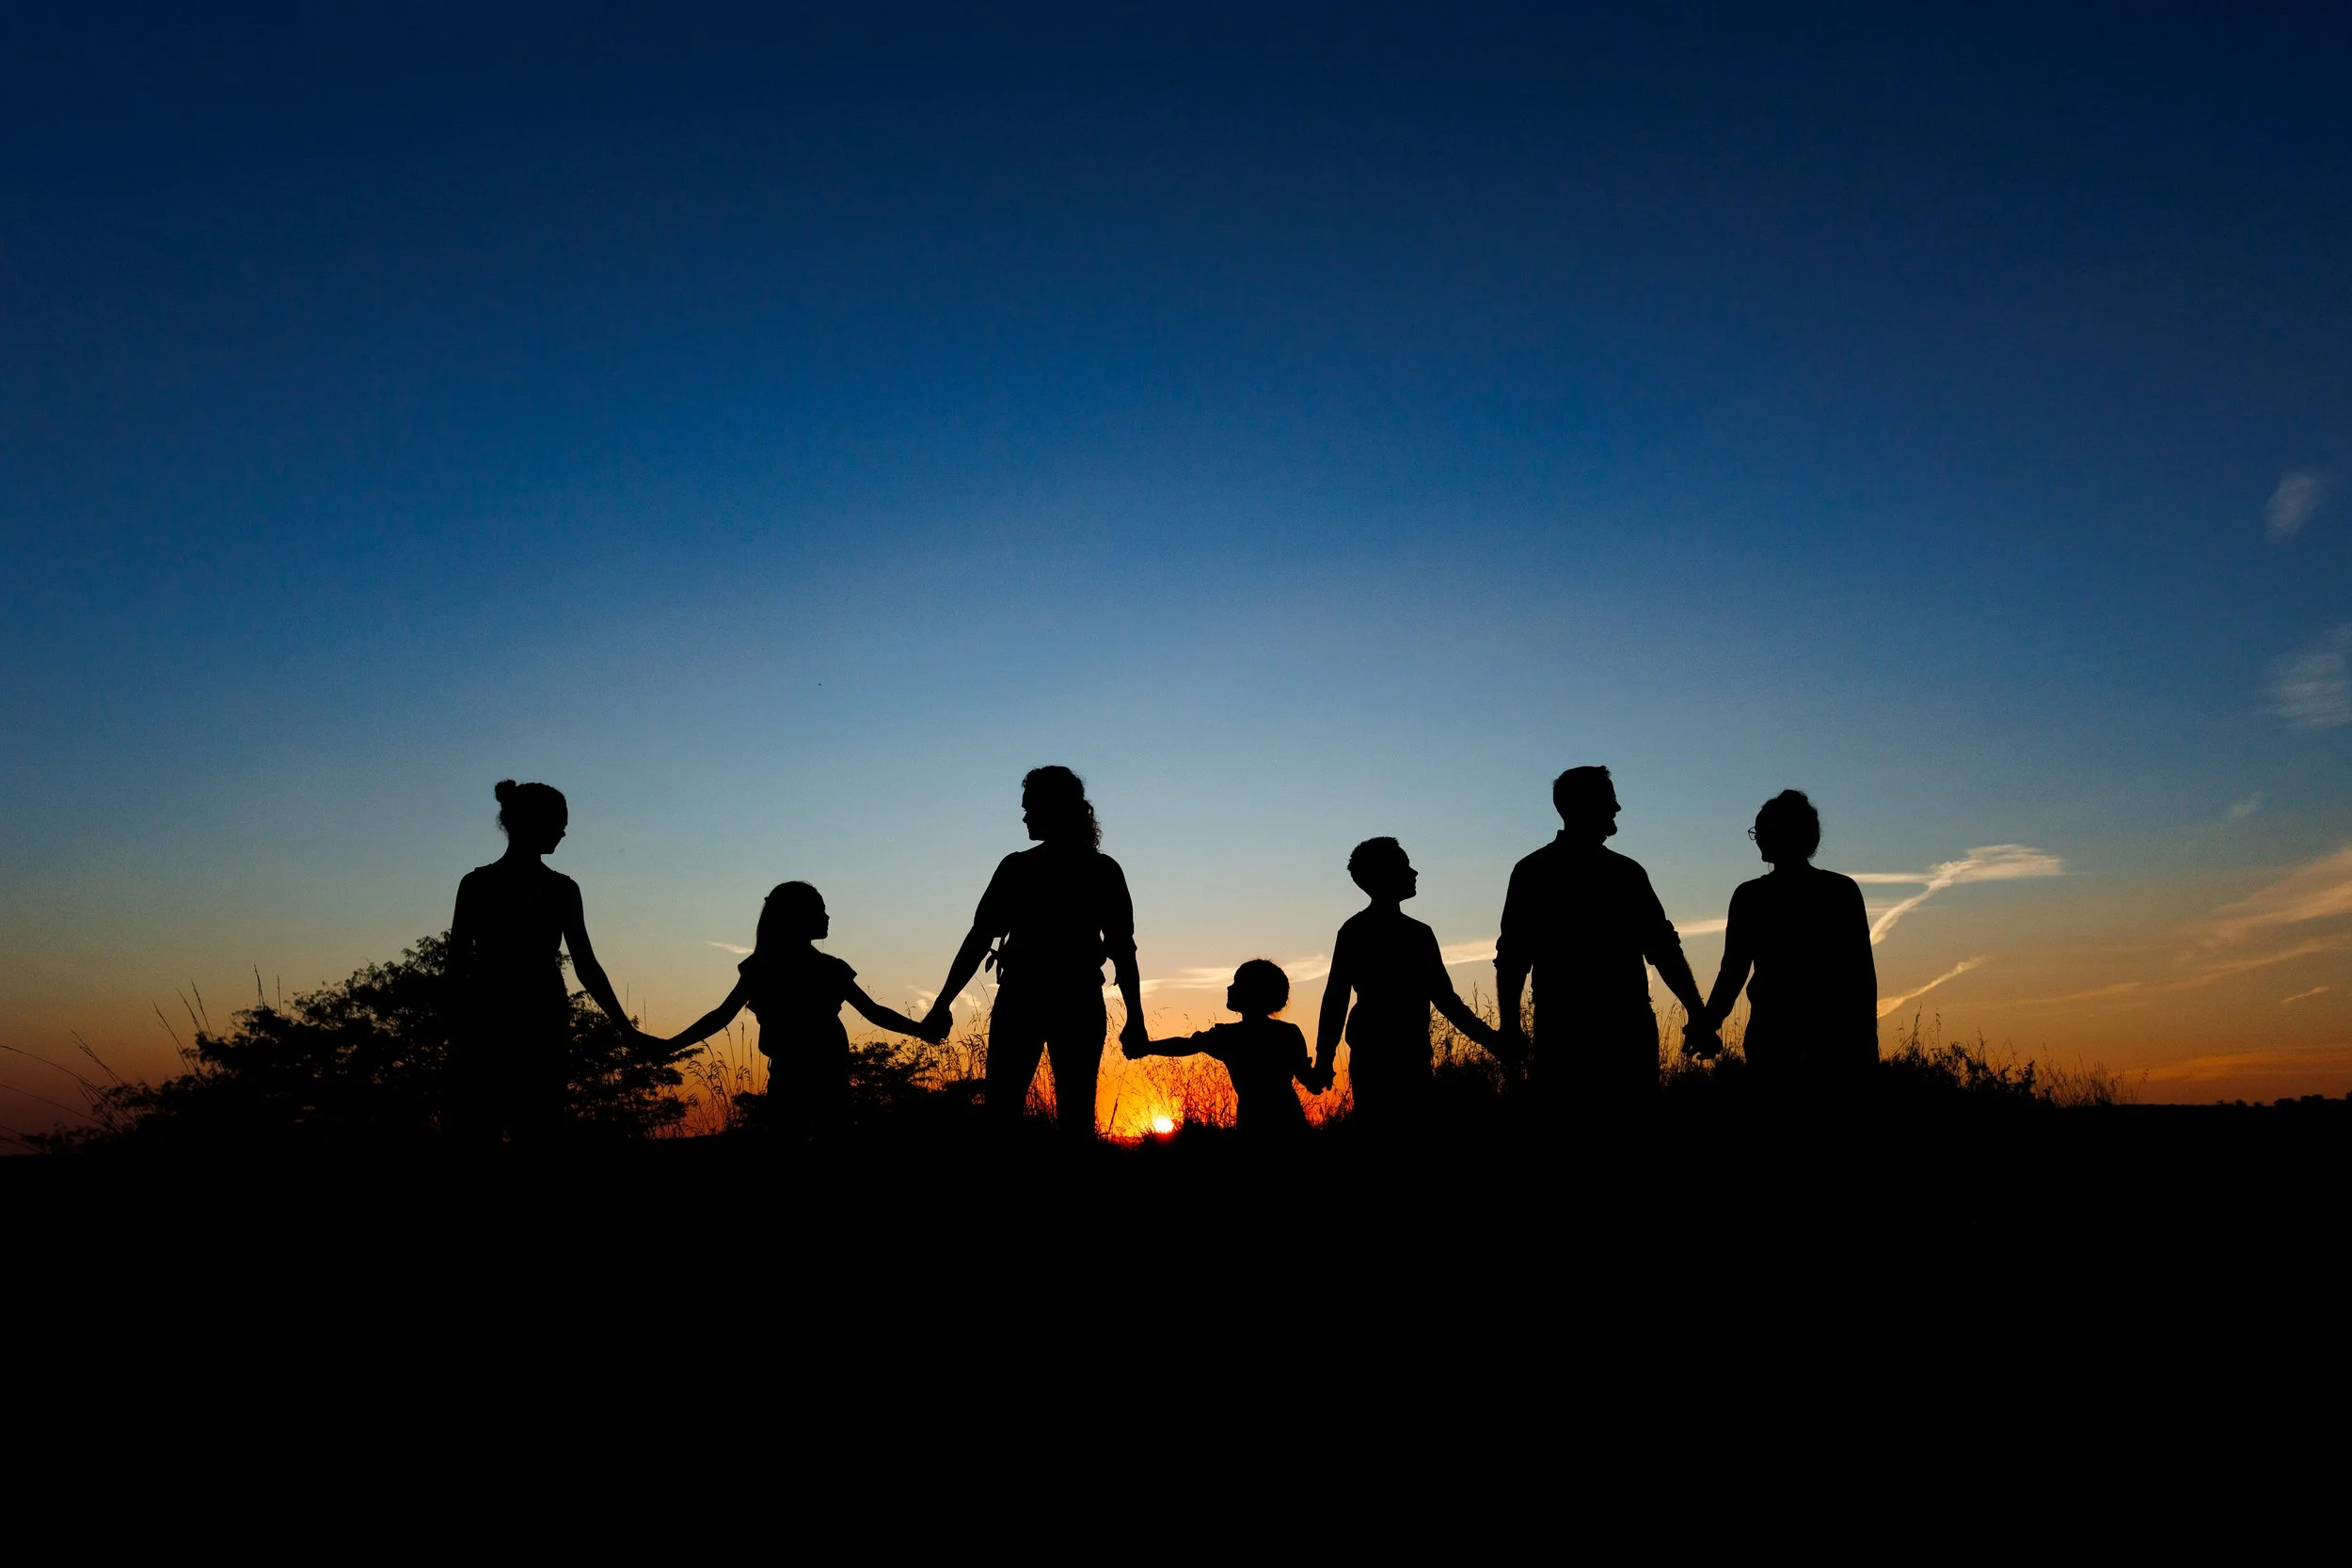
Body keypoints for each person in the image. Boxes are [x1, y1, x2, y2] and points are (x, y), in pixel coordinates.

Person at [921, 767, 1145, 1137]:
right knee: (1067, 1115)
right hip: (1068, 1000)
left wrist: (943, 1003)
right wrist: (1134, 1018)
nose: (1024, 816)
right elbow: (1124, 950)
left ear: (1053, 808)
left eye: (1030, 807)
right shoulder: (1098, 869)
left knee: (1010, 1112)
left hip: (1031, 998)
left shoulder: (1022, 868)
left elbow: (979, 939)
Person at [660, 881, 939, 1141]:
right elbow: (875, 1012)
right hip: (816, 1081)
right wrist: (922, 1031)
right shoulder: (816, 968)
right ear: (796, 917)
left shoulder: (772, 967)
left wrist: (670, 1046)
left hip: (804, 1079)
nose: (827, 916)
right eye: (819, 910)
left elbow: (721, 1016)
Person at [447, 778, 643, 1143]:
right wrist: (624, 1028)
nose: (564, 833)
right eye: (559, 824)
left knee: (533, 1128)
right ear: (529, 823)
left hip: (527, 1021)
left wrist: (625, 1028)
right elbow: (455, 966)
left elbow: (587, 966)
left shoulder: (550, 889)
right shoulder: (486, 886)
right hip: (498, 1022)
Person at [1496, 767, 1705, 1105]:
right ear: (1586, 805)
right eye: (1610, 800)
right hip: (1614, 1032)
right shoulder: (1624, 873)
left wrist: (1510, 1027)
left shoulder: (1534, 870)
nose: (1617, 808)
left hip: (1570, 1030)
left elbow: (1512, 959)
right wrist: (1697, 1013)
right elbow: (1664, 950)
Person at [1314, 837, 1513, 1127]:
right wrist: (1491, 1040)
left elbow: (1336, 998)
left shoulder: (1359, 931)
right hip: (1396, 1054)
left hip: (1393, 1052)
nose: (1414, 873)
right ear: (1383, 876)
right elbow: (1445, 1000)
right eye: (1404, 866)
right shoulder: (1412, 934)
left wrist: (1324, 1060)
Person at [1692, 790, 1877, 1083]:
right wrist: (1868, 1043)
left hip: (1772, 1033)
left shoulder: (1750, 896)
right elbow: (1862, 977)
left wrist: (1708, 1024)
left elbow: (1733, 972)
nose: (1759, 839)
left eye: (1761, 831)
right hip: (1836, 1034)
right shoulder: (1842, 891)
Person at [1127, 960, 1315, 1141]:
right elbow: (1308, 1079)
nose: (1229, 988)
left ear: (1253, 992)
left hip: (1253, 1127)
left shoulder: (1230, 1036)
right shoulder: (1289, 1032)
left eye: (1237, 983)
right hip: (1291, 1125)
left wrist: (1146, 1047)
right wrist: (1319, 1076)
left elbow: (1186, 1045)